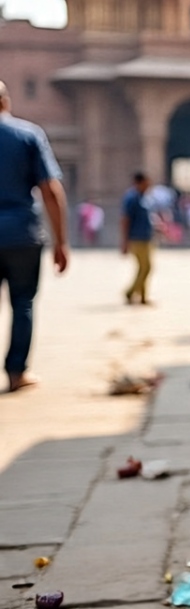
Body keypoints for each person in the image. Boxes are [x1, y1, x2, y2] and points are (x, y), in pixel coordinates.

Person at [0, 80, 69, 393]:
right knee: (23, 303)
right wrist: (61, 241)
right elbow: (50, 191)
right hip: (22, 234)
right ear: (5, 102)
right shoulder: (28, 135)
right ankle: (17, 373)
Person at [121, 172, 155, 305]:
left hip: (146, 238)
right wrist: (124, 241)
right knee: (146, 267)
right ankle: (130, 292)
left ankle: (142, 297)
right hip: (136, 238)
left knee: (144, 268)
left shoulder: (144, 198)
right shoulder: (132, 198)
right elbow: (125, 220)